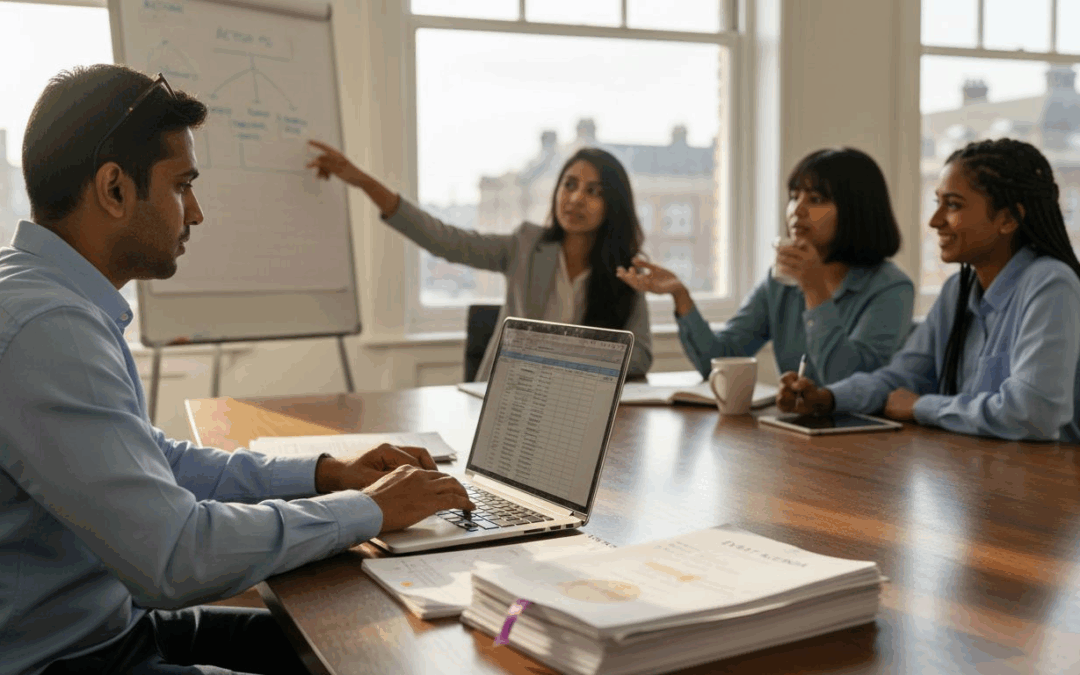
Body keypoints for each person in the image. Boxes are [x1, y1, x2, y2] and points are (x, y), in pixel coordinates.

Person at [1, 65, 473, 675]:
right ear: (115, 189)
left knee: (353, 642)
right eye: (181, 186)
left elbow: (155, 461)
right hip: (66, 659)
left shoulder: (46, 298)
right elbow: (175, 556)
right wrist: (370, 509)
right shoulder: (47, 329)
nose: (194, 213)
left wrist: (328, 473)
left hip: (105, 628)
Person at [779, 138, 1080, 442]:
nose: (935, 221)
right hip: (980, 472)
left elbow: (1033, 413)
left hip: (1046, 479)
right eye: (937, 203)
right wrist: (828, 398)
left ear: (1007, 218)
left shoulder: (1051, 283)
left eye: (952, 205)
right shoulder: (956, 291)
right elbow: (902, 377)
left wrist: (922, 407)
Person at [306, 141, 653, 380]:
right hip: (508, 400)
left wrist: (562, 354)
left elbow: (640, 357)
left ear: (613, 205)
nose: (576, 199)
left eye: (593, 192)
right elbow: (446, 240)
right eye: (570, 185)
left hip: (580, 411)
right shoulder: (526, 245)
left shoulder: (625, 272)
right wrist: (365, 182)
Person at [617, 147, 913, 385]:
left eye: (816, 199)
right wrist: (681, 296)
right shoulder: (780, 282)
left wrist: (813, 289)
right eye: (794, 196)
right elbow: (718, 362)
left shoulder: (891, 288)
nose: (797, 209)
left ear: (856, 211)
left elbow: (846, 382)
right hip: (797, 435)